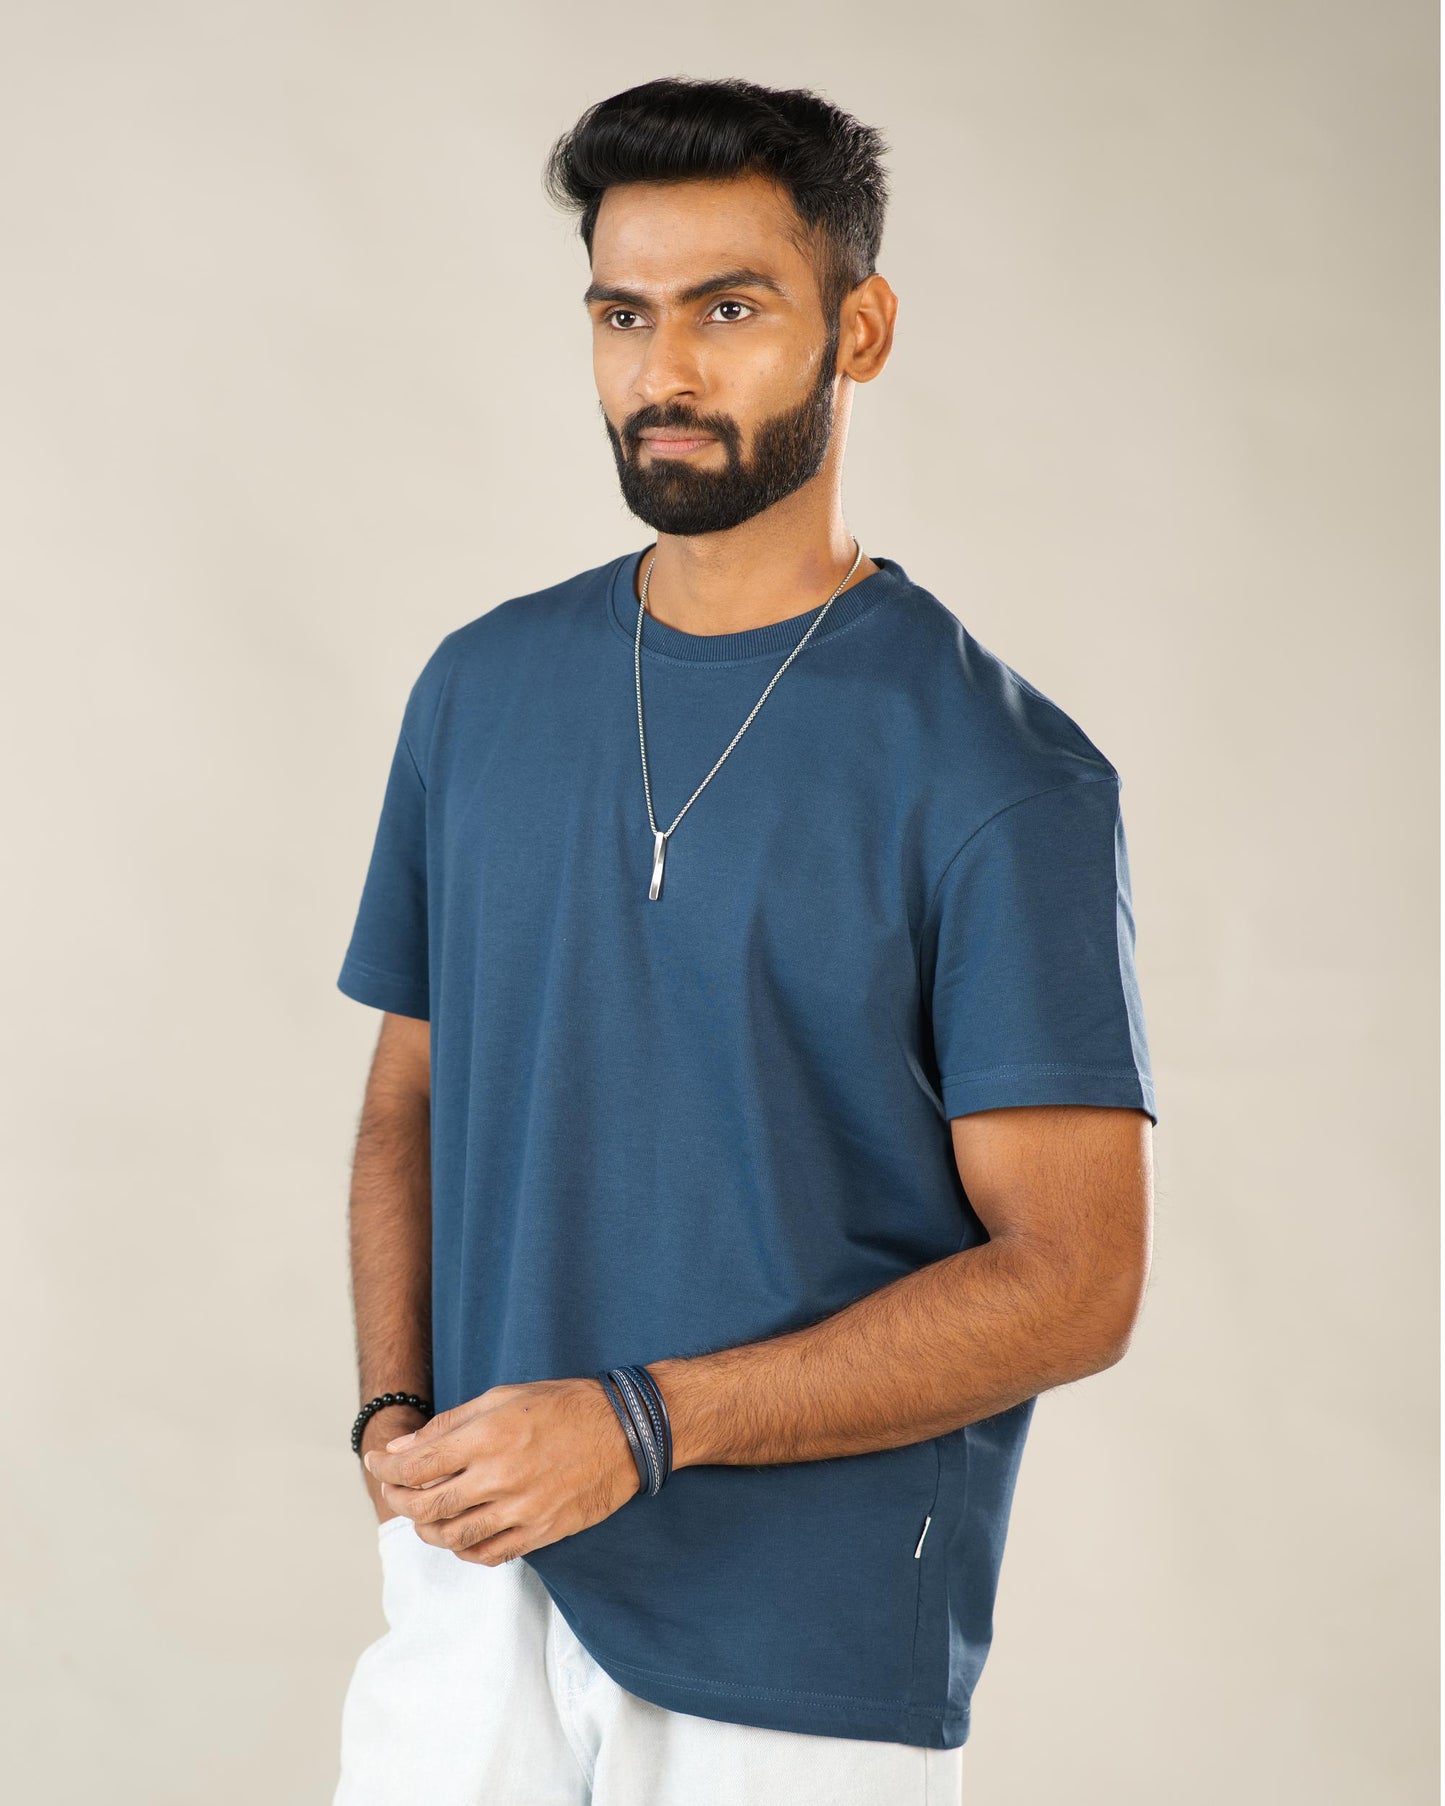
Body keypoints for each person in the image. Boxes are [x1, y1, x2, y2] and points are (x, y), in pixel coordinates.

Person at [331, 74, 1157, 1806]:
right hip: (478, 1598)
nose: (665, 373)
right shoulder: (480, 691)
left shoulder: (997, 775)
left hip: (798, 1660)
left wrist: (635, 1423)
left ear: (856, 328)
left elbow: (1073, 1280)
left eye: (729, 307)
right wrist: (392, 1414)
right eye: (623, 315)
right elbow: (409, 1090)